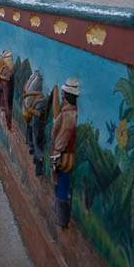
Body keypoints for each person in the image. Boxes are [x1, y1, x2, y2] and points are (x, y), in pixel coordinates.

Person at [51, 77, 80, 227]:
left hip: (62, 154)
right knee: (64, 184)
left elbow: (57, 135)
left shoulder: (66, 115)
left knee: (61, 184)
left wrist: (55, 155)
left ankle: (62, 218)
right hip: (69, 154)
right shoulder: (74, 113)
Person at [21, 70, 50, 175]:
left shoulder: (33, 91)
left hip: (36, 114)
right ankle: (34, 151)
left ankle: (38, 159)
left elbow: (28, 104)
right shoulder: (37, 92)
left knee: (35, 135)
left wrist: (28, 110)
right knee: (35, 135)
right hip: (37, 112)